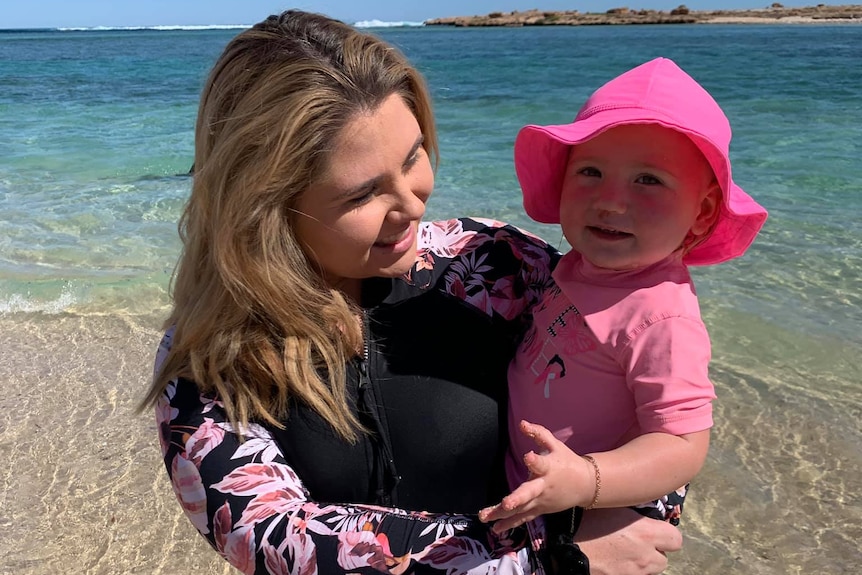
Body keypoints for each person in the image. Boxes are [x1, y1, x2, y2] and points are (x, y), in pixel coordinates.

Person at [140, 12, 683, 575]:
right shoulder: (215, 356)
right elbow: (273, 539)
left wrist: (623, 511)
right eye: (363, 194)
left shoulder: (495, 267)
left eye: (412, 157)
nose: (413, 205)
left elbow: (658, 389)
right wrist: (556, 556)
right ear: (265, 205)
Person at [478, 58, 768, 550]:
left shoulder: (661, 317)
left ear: (701, 213)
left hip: (583, 507)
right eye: (590, 171)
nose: (609, 202)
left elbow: (681, 445)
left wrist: (586, 480)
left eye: (648, 180)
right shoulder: (577, 263)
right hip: (525, 482)